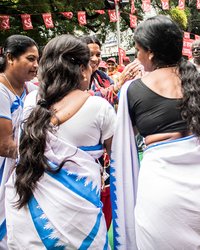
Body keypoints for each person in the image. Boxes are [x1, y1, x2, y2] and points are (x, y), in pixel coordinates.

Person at [110, 15, 200, 249]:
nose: (136, 56)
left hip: (163, 192)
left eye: (137, 50)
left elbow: (129, 135)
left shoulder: (132, 89)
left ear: (150, 53)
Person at [5, 34, 116, 248]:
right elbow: (119, 163)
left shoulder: (30, 101)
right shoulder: (99, 108)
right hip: (80, 224)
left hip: (28, 220)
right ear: (84, 70)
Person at [0, 35, 39, 249]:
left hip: (22, 171)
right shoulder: (1, 91)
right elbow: (4, 145)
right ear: (10, 58)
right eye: (30, 59)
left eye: (37, 60)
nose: (36, 65)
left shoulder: (32, 91)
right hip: (4, 171)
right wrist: (39, 154)